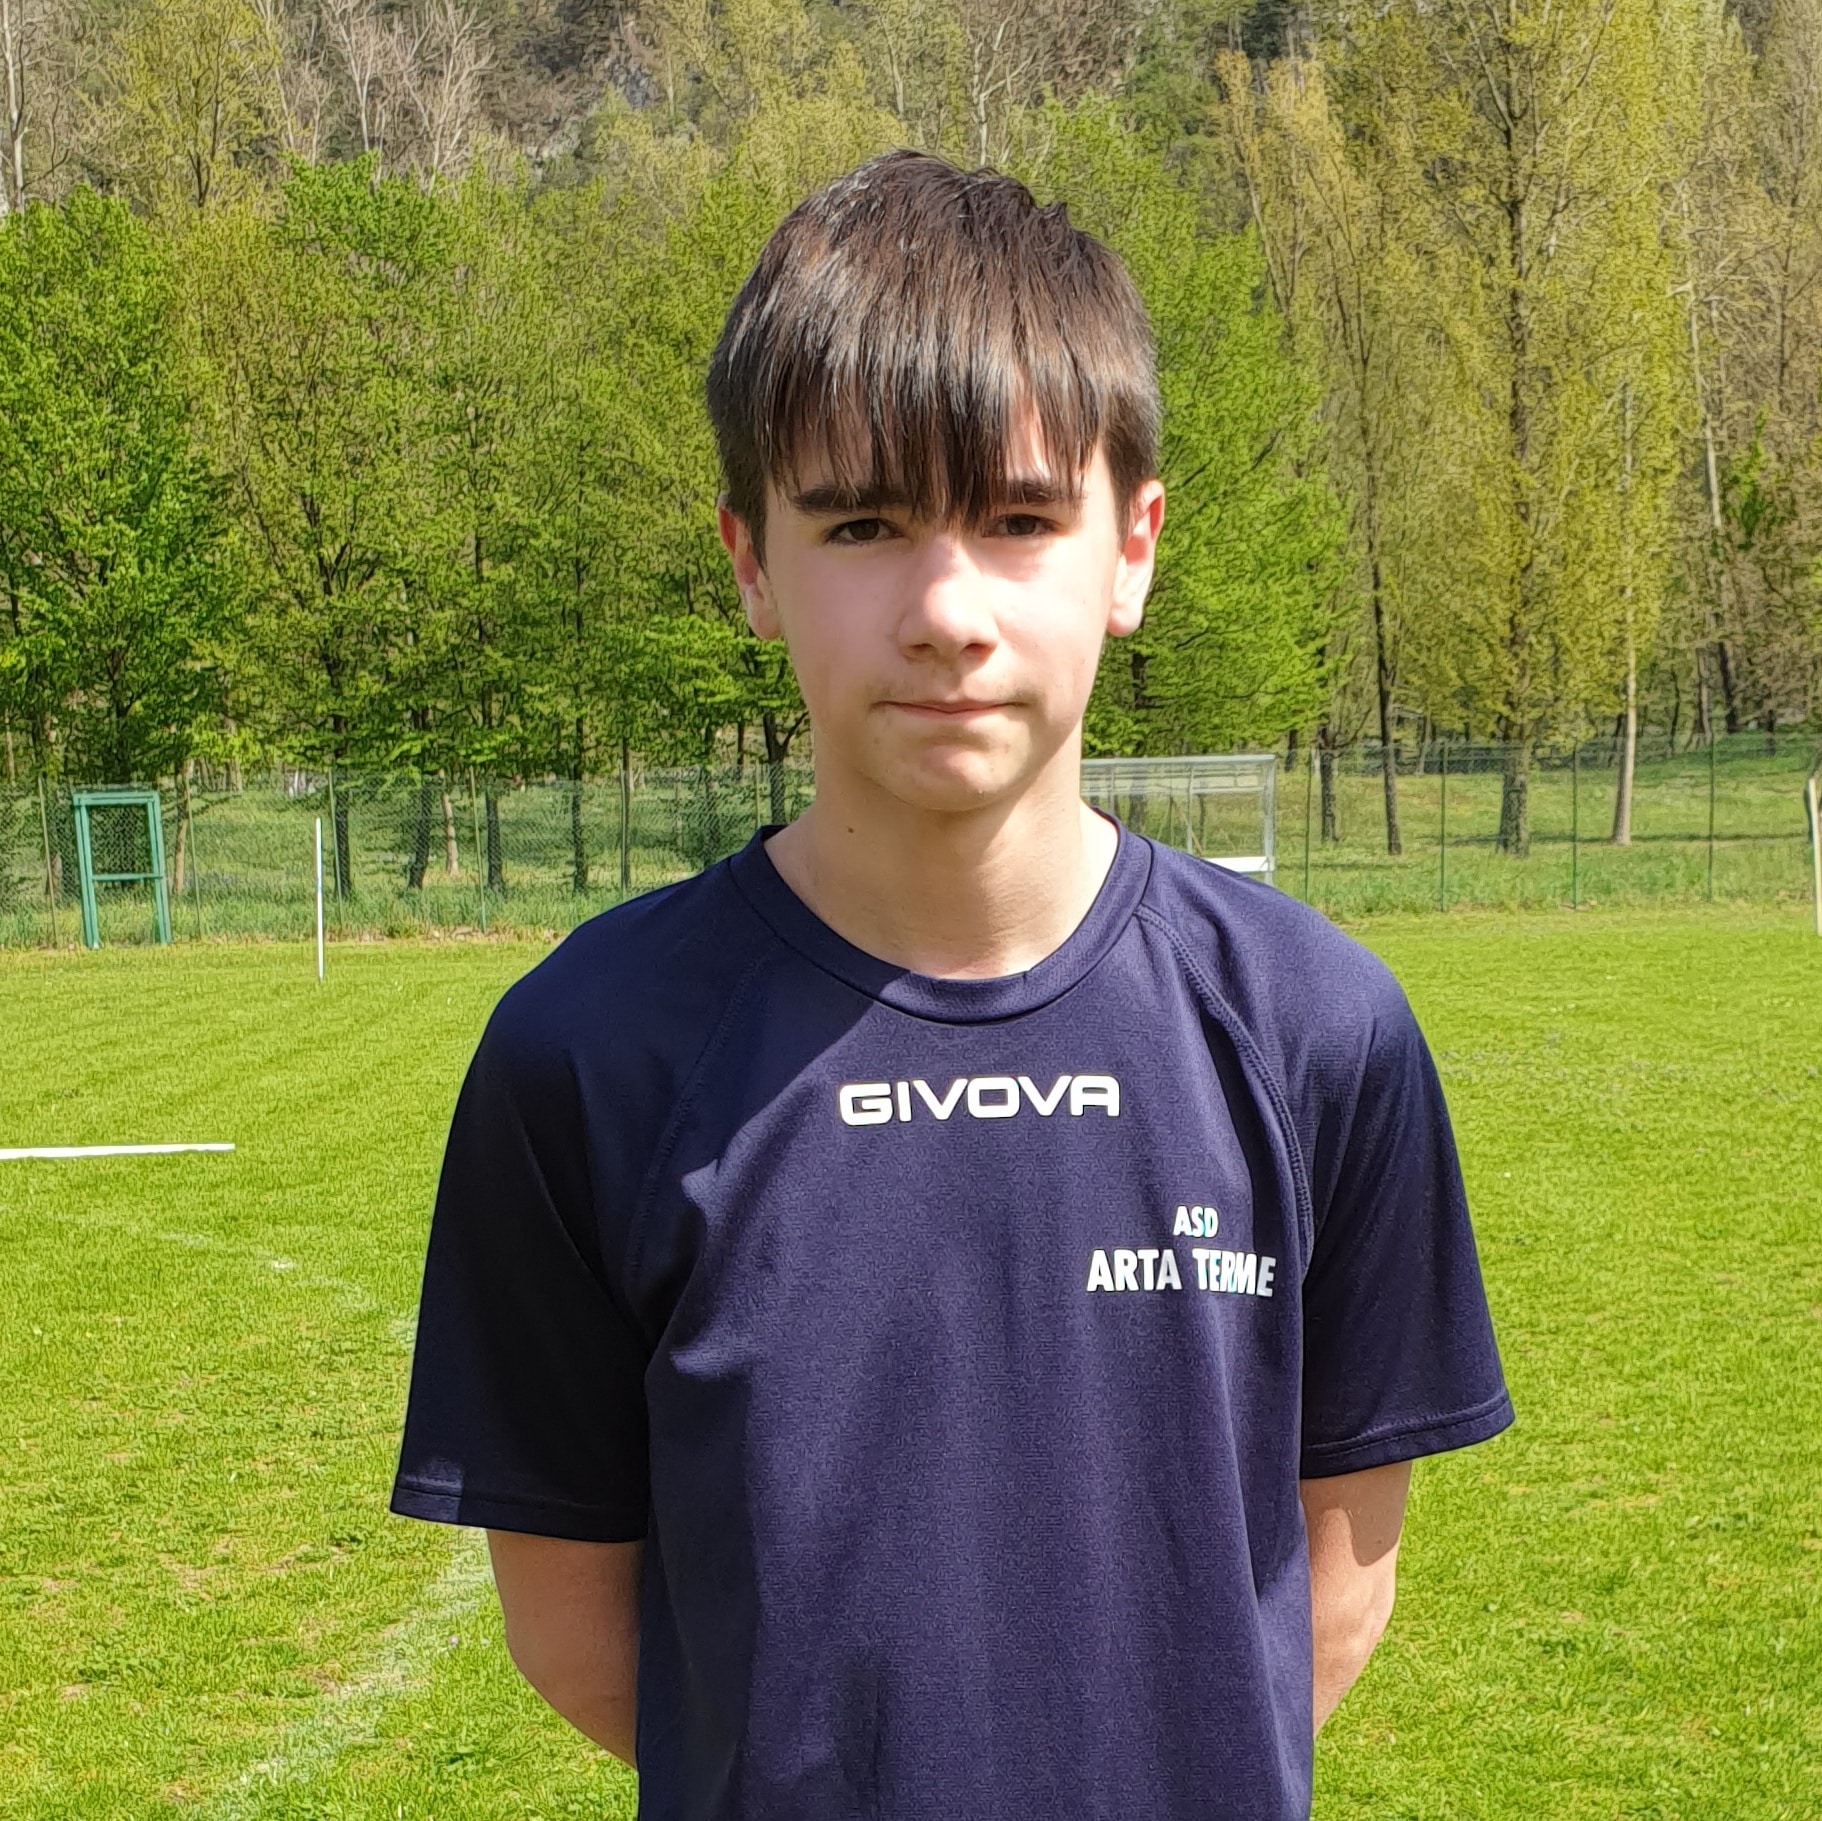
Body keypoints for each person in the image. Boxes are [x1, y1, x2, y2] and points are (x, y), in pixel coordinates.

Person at [390, 149, 1512, 1821]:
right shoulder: (587, 1052)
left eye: (1015, 518)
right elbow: (573, 1626)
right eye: (860, 523)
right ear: (749, 561)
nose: (944, 611)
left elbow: (1328, 1591)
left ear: (1130, 549)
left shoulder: (1316, 1030)